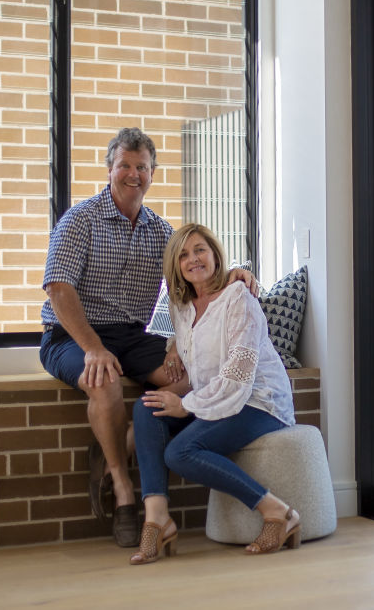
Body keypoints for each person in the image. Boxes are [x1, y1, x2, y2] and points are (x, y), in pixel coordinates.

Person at [39, 128, 253, 547]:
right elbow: (58, 289)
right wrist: (93, 348)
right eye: (125, 166)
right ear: (109, 169)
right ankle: (122, 491)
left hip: (134, 335)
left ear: (153, 174)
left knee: (189, 376)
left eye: (142, 167)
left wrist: (237, 274)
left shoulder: (161, 231)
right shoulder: (79, 220)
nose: (133, 174)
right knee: (103, 380)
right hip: (72, 334)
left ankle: (112, 449)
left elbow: (191, 274)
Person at [129, 223, 299, 565]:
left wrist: (186, 405)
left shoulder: (239, 297)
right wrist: (174, 347)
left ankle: (278, 512)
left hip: (257, 400)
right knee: (146, 409)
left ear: (215, 254)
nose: (193, 259)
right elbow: (192, 342)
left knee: (180, 452)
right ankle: (157, 517)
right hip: (216, 396)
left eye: (200, 250)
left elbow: (238, 375)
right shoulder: (182, 305)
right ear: (176, 266)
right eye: (183, 255)